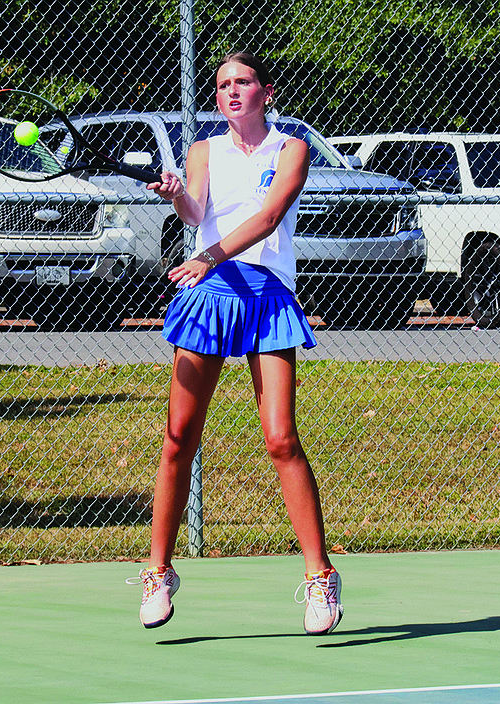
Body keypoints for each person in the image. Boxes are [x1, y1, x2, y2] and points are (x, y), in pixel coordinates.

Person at [127, 51, 342, 636]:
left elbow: (270, 217)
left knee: (280, 439)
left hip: (265, 294)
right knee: (178, 439)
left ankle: (321, 578)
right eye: (222, 85)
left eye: (242, 82)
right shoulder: (204, 151)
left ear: (266, 91)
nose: (230, 92)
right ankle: (158, 572)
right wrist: (177, 195)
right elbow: (197, 208)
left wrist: (209, 254)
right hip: (208, 295)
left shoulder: (290, 149)